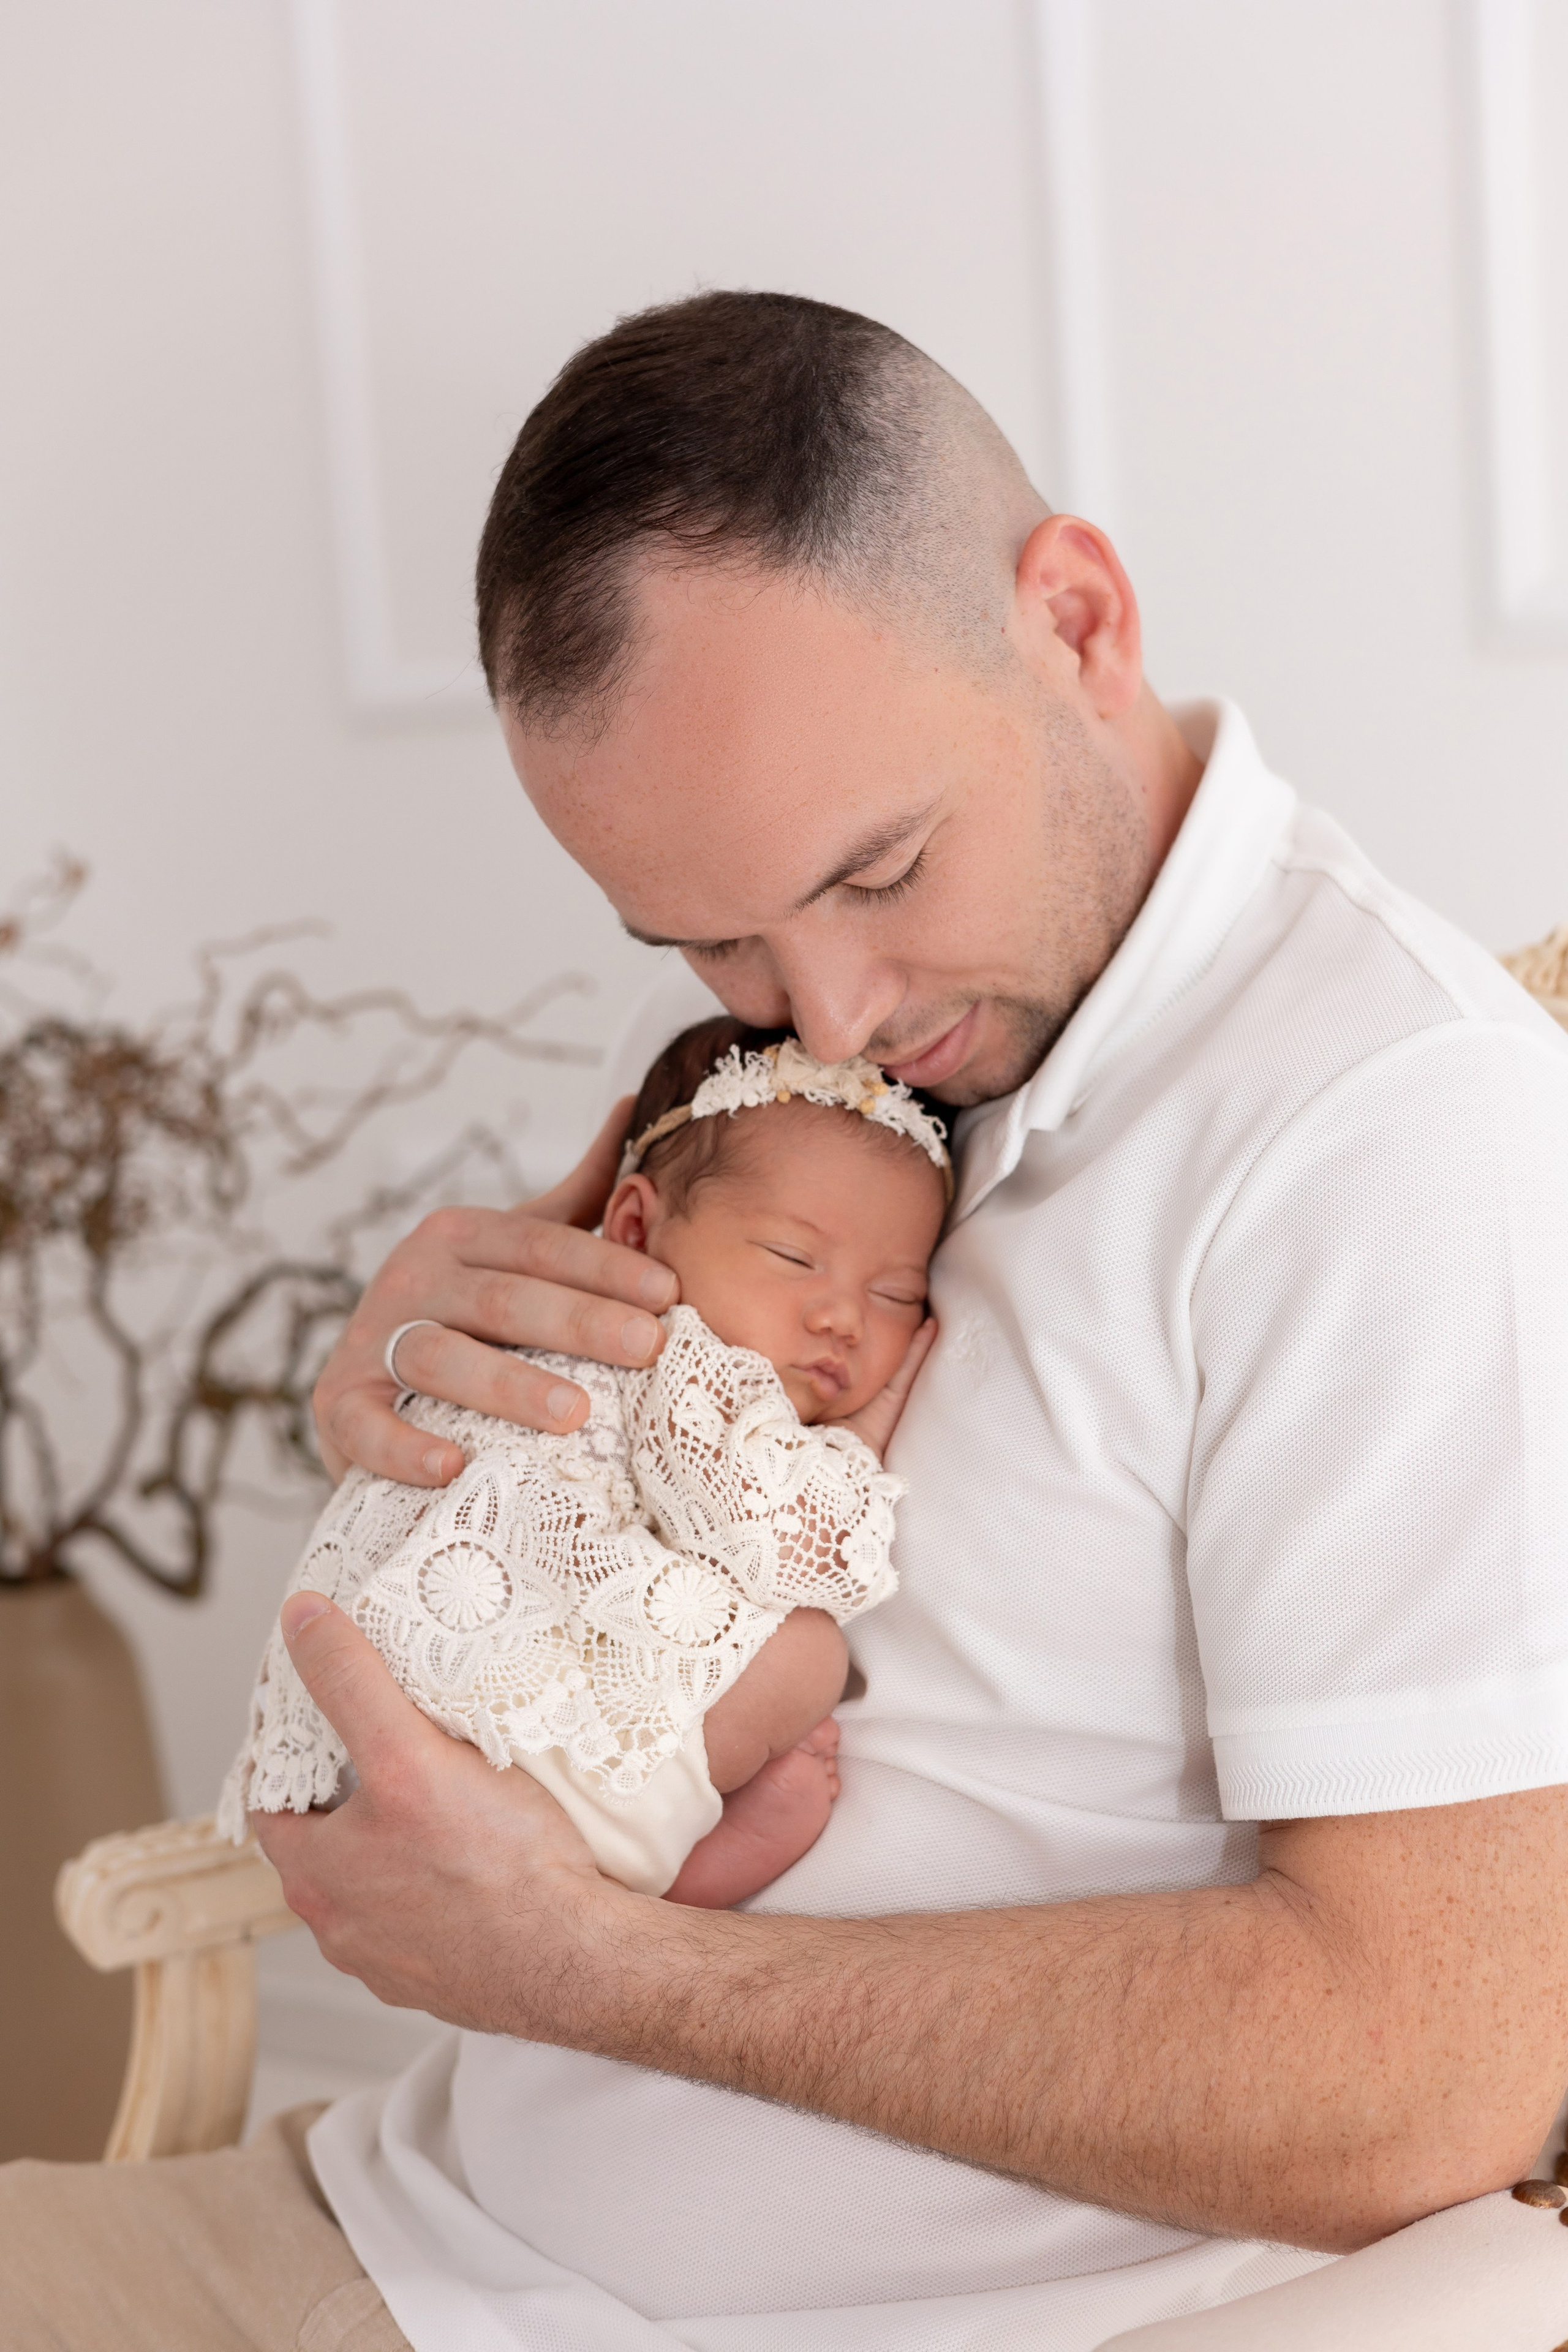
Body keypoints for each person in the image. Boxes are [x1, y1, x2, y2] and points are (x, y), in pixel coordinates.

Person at [7, 288, 1568, 2352]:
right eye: (718, 935)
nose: (829, 1017)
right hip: (403, 2217)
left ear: (1080, 621)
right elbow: (603, 1488)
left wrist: (574, 1967)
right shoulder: (866, 1050)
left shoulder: (1384, 1133)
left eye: (879, 868)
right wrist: (409, 1416)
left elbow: (1425, 2071)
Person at [221, 1019, 946, 1909]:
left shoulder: (548, 1333)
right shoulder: (678, 1352)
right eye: (794, 1259)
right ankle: (638, 1863)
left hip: (370, 1713)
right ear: (634, 1228)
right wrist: (858, 1443)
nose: (844, 1318)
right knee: (804, 1656)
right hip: (490, 1724)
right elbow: (772, 1541)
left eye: (896, 1294)